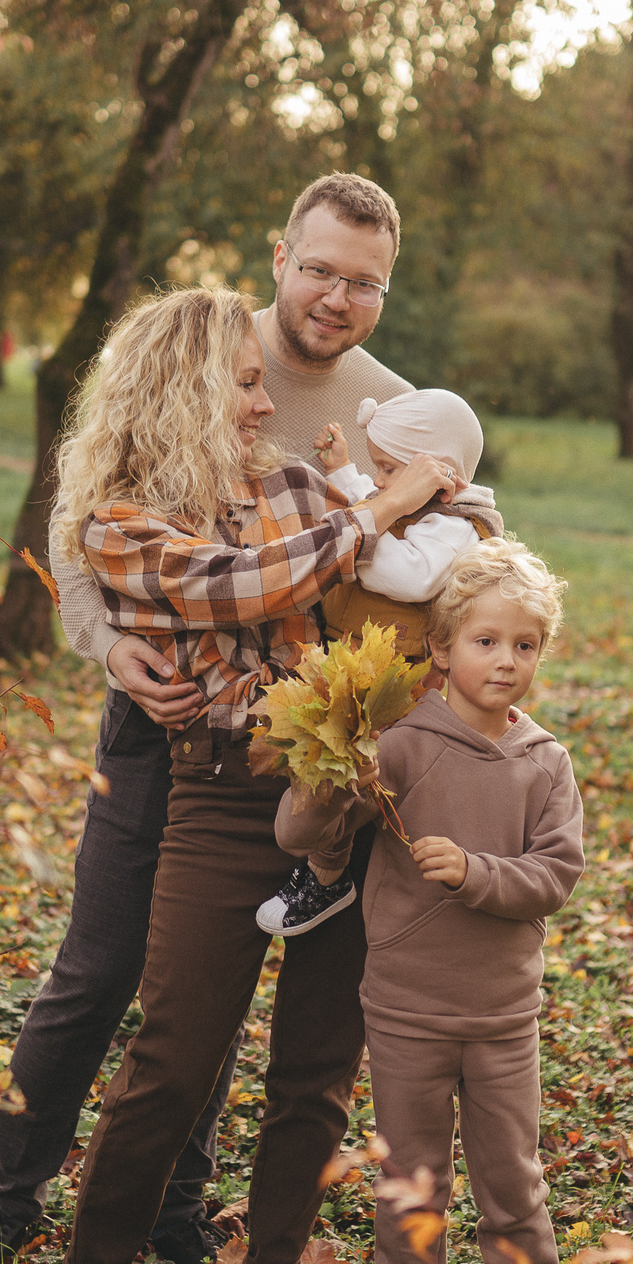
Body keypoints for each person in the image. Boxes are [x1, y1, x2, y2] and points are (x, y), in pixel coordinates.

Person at [0, 175, 415, 1264]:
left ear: (386, 289)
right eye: (319, 268)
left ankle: (173, 1210)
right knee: (98, 970)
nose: (335, 298)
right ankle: (5, 1200)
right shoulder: (189, 347)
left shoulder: (388, 408)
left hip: (271, 728)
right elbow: (78, 527)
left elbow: (412, 559)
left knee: (203, 980)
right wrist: (109, 648)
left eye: (364, 282)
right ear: (280, 252)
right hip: (152, 715)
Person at [46, 285, 462, 1264]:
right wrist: (374, 510)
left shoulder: (293, 478)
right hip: (224, 785)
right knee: (178, 1045)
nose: (255, 401)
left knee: (318, 1058)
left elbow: (420, 565)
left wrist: (440, 510)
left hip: (351, 788)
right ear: (181, 390)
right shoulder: (121, 520)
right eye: (237, 384)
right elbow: (243, 586)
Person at [275, 539, 585, 1264]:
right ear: (442, 649)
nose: (507, 662)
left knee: (512, 1180)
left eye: (525, 646)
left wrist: (479, 872)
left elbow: (557, 874)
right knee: (411, 1177)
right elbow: (301, 836)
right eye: (487, 642)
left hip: (501, 1015)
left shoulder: (543, 763)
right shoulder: (401, 747)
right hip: (407, 1009)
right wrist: (327, 765)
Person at [256, 389, 502, 938]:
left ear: (443, 474)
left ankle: (326, 871)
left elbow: (407, 575)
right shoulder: (422, 502)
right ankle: (327, 867)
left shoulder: (456, 525)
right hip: (359, 675)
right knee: (334, 775)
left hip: (403, 693)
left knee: (352, 785)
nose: (383, 482)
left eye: (390, 468)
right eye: (380, 467)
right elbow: (377, 501)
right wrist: (347, 473)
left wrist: (353, 533)